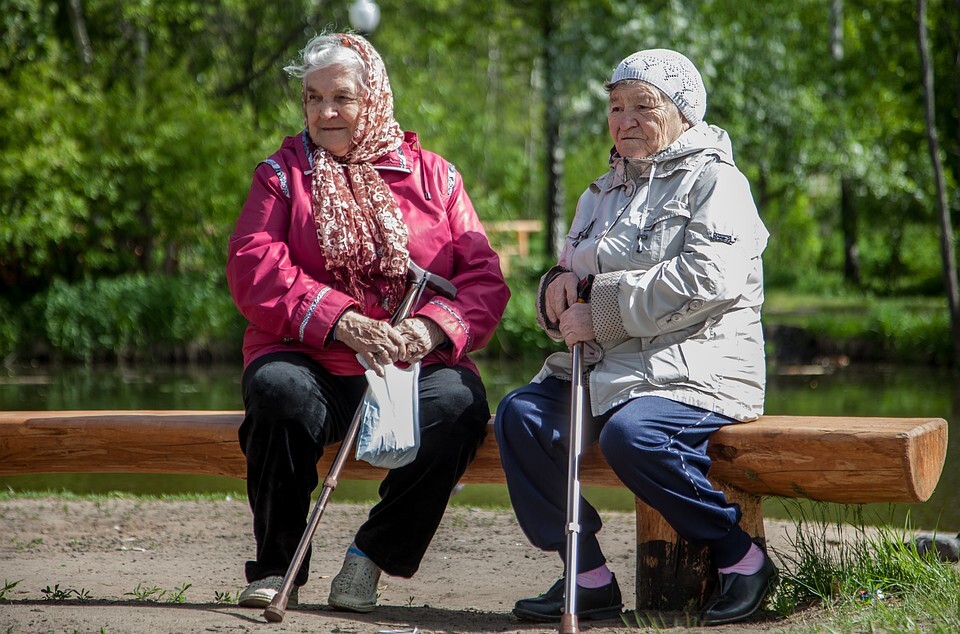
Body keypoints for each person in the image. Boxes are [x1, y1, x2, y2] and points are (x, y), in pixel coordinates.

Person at [226, 32, 509, 613]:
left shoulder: (436, 178)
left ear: (374, 97)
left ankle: (370, 557)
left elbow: (483, 278)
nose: (325, 112)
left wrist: (430, 329)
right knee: (277, 393)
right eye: (313, 98)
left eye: (342, 97)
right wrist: (341, 320)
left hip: (411, 359)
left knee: (458, 408)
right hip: (311, 355)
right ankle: (278, 565)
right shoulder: (281, 175)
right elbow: (253, 266)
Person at [494, 49, 773, 626]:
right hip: (611, 369)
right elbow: (575, 268)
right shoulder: (600, 192)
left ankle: (741, 557)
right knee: (520, 416)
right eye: (616, 107)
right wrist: (557, 290)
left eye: (643, 106)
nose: (625, 121)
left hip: (699, 365)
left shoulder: (717, 181)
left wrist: (600, 311)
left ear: (683, 113)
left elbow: (708, 280)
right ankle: (588, 576)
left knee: (633, 436)